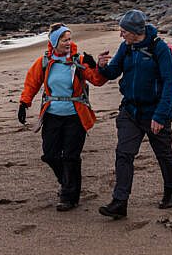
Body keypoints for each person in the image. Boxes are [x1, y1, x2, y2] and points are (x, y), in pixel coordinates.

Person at [95, 10, 172, 219]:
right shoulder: (126, 47)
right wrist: (102, 66)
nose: (121, 35)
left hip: (154, 111)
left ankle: (171, 191)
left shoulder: (159, 48)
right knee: (124, 154)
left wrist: (160, 116)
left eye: (124, 31)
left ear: (135, 31)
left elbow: (169, 84)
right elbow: (113, 72)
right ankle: (119, 202)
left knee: (164, 155)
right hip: (130, 110)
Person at [18, 24, 106, 211]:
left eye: (70, 39)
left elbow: (97, 80)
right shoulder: (44, 62)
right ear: (54, 42)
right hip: (51, 116)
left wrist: (98, 66)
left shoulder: (79, 60)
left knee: (71, 157)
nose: (69, 42)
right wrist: (24, 103)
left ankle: (69, 196)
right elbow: (31, 83)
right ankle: (67, 182)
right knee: (50, 155)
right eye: (64, 39)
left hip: (76, 116)